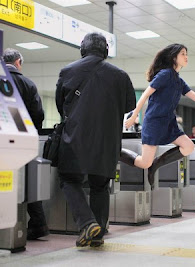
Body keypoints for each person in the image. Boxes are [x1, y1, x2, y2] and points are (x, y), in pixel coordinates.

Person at [55, 33, 136, 247]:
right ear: (106, 51)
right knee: (100, 185)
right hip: (108, 141)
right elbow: (129, 108)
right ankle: (97, 235)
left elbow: (60, 105)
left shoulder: (68, 71)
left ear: (83, 49)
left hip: (76, 138)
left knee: (69, 179)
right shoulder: (121, 75)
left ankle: (87, 222)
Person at [121, 44, 195, 186]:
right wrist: (134, 115)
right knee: (144, 163)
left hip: (169, 122)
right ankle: (116, 152)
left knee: (188, 146)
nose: (186, 57)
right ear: (173, 57)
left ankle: (156, 164)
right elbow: (145, 94)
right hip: (154, 122)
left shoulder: (179, 81)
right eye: (183, 54)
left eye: (187, 54)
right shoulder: (165, 74)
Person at [3, 48, 49, 240]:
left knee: (4, 180)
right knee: (28, 179)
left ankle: (4, 225)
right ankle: (38, 224)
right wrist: (31, 132)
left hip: (0, 139)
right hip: (25, 140)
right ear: (18, 62)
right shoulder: (28, 83)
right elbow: (38, 114)